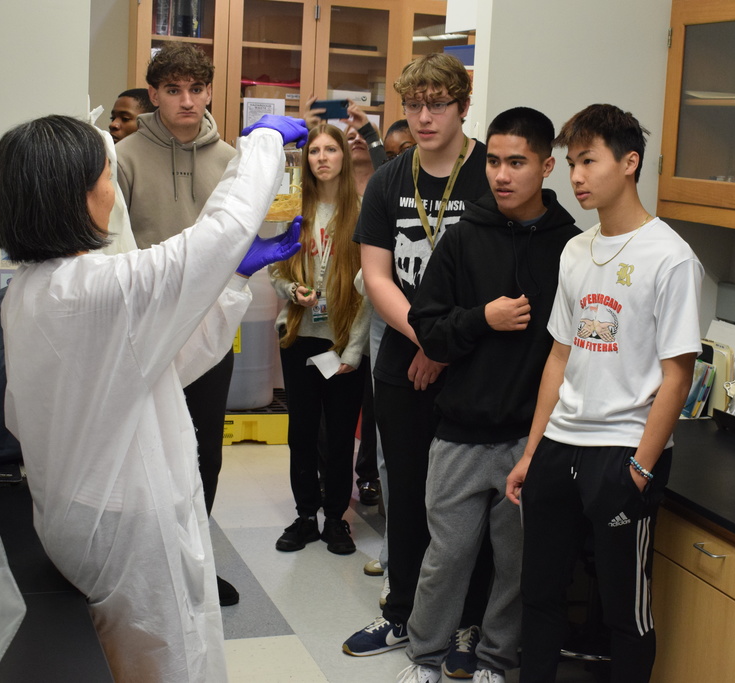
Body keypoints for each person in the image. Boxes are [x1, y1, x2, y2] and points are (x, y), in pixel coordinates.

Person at [0, 112, 307, 682]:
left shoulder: (34, 289)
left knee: (131, 659)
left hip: (80, 509)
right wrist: (260, 146)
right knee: (172, 659)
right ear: (75, 196)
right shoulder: (97, 290)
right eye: (105, 176)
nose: (112, 190)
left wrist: (233, 282)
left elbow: (163, 363)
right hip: (127, 522)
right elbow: (215, 236)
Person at [506, 103, 703, 683]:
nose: (576, 177)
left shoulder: (670, 257)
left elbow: (678, 376)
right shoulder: (575, 250)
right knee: (539, 595)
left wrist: (641, 468)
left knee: (625, 610)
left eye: (588, 161)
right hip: (560, 445)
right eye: (571, 163)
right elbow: (559, 357)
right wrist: (531, 452)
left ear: (629, 162)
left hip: (622, 453)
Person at [395, 107, 579, 683]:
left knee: (516, 566)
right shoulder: (462, 239)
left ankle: (497, 663)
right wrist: (483, 318)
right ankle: (424, 660)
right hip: (459, 433)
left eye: (517, 162)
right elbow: (428, 329)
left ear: (547, 166)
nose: (501, 174)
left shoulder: (572, 249)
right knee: (445, 560)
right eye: (494, 161)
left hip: (532, 439)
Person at [342, 53, 492, 670]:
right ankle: (402, 612)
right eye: (414, 105)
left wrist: (447, 344)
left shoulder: (492, 174)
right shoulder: (388, 180)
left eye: (439, 104)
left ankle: (467, 624)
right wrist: (426, 338)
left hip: (479, 366)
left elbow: (504, 276)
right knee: (407, 494)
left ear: (462, 103)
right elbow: (375, 276)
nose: (425, 117)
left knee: (469, 501)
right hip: (404, 361)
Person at [115, 42, 241, 605]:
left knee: (202, 449)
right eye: (173, 90)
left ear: (211, 90)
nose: (187, 100)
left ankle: (195, 563)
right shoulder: (123, 157)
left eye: (196, 88)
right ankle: (143, 566)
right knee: (144, 450)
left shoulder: (232, 159)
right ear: (155, 94)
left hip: (211, 330)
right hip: (143, 332)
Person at [270, 124, 370, 556]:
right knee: (302, 432)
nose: (323, 158)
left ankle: (336, 519)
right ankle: (306, 515)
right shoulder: (293, 208)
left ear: (345, 158)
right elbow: (275, 269)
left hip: (343, 343)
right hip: (299, 335)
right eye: (315, 151)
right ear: (305, 158)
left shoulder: (363, 211)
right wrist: (293, 291)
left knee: (342, 434)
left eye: (332, 150)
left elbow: (372, 288)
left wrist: (354, 349)